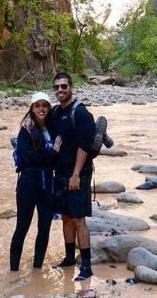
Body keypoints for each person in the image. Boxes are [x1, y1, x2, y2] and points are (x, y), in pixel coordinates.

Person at [48, 72, 96, 281]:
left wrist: (76, 175)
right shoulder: (56, 113)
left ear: (71, 87)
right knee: (65, 217)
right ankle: (69, 258)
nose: (60, 91)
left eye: (64, 86)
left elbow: (84, 147)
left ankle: (86, 266)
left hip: (78, 174)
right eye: (57, 87)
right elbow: (43, 127)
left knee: (78, 219)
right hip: (61, 173)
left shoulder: (81, 113)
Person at [9, 91, 61, 272]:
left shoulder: (52, 127)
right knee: (22, 227)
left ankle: (37, 269)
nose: (41, 109)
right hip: (28, 184)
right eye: (37, 106)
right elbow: (29, 158)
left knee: (44, 227)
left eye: (44, 105)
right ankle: (13, 271)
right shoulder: (26, 130)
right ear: (32, 108)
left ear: (49, 108)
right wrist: (52, 153)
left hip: (47, 184)